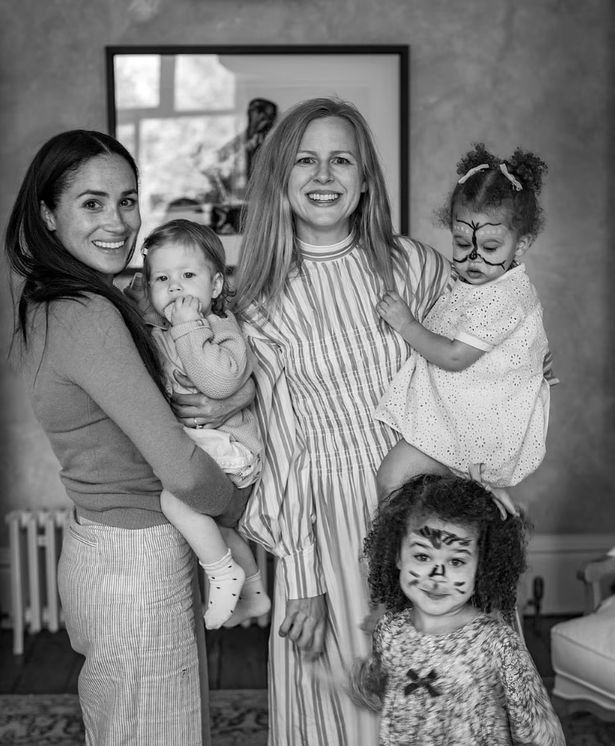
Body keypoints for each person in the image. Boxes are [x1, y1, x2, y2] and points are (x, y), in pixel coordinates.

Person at [4, 130, 249, 745]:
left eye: (128, 199)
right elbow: (183, 469)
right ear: (47, 215)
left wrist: (236, 394)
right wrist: (250, 513)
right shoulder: (86, 312)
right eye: (91, 203)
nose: (118, 222)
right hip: (134, 562)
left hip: (112, 548)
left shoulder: (59, 301)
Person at [226, 97, 450, 746]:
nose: (323, 174)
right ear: (281, 178)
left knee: (434, 700)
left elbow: (471, 371)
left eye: (340, 159)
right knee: (347, 709)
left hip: (422, 500)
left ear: (364, 180)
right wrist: (302, 581)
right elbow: (283, 447)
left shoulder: (413, 267)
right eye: (305, 159)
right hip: (328, 519)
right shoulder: (261, 300)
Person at [375, 144, 551, 499]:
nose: (473, 259)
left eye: (489, 248)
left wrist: (407, 324)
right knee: (410, 491)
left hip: (473, 427)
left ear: (521, 246)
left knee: (393, 481)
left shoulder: (503, 295)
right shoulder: (477, 283)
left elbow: (456, 357)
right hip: (458, 418)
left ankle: (393, 549)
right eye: (460, 242)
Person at [350, 473, 566, 746]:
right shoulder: (389, 632)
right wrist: (364, 684)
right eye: (422, 556)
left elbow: (540, 731)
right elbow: (389, 692)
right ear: (397, 555)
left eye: (456, 561)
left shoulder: (497, 645)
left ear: (482, 566)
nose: (437, 575)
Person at [140, 218, 270, 629]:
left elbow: (219, 381)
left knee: (174, 500)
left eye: (188, 276)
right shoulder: (164, 330)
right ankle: (252, 593)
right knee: (214, 527)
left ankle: (221, 574)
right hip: (209, 445)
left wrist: (187, 325)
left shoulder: (218, 327)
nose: (175, 287)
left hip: (232, 447)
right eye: (162, 278)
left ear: (214, 287)